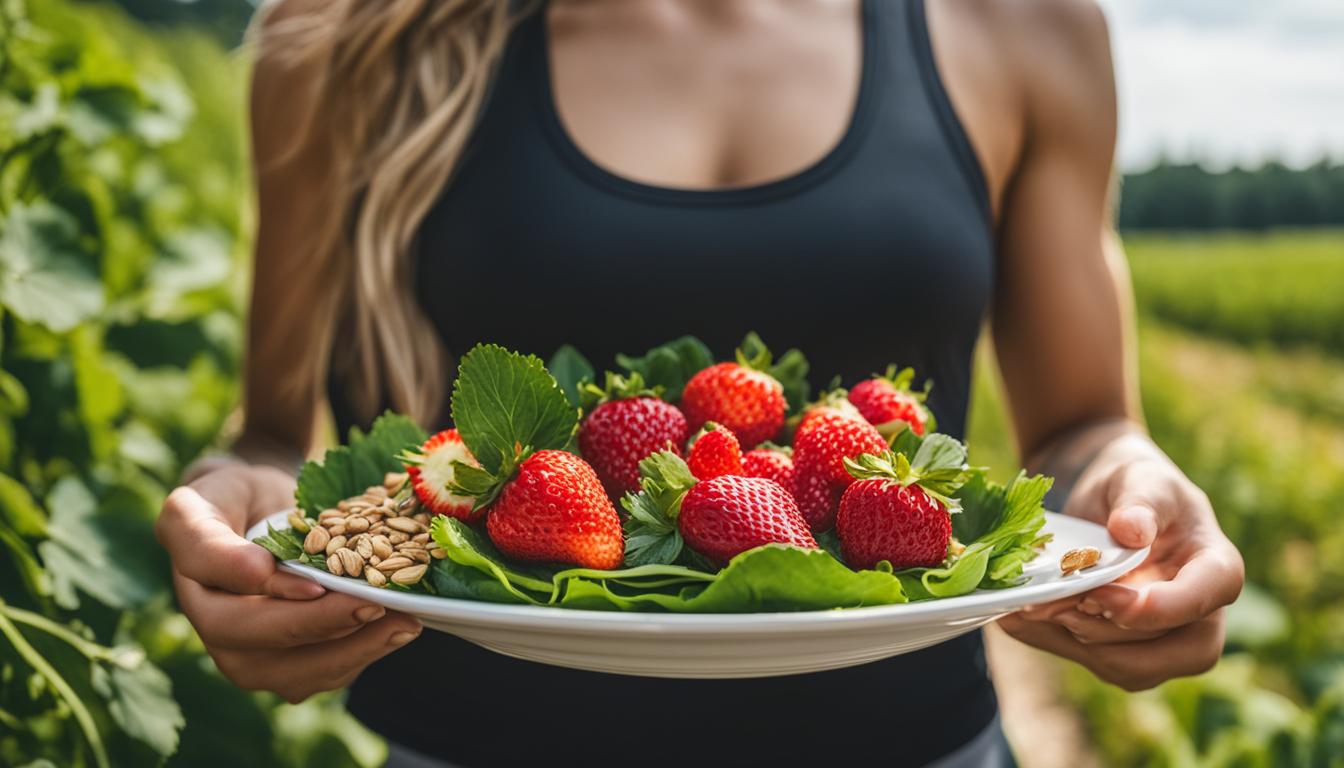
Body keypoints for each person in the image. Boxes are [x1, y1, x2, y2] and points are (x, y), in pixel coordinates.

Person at [155, 0, 1245, 765]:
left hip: (916, 751)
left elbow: (1085, 423)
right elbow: (275, 437)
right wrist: (250, 504)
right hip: (472, 752)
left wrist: (1130, 484)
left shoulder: (1025, 25)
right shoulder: (339, 36)